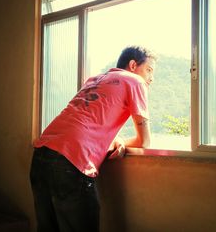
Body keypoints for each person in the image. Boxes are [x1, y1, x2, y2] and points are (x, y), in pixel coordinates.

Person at [30, 46, 157, 232]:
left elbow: (88, 121)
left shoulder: (94, 80)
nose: (151, 78)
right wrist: (120, 142)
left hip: (41, 156)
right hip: (71, 161)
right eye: (149, 70)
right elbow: (144, 141)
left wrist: (116, 141)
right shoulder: (135, 81)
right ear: (132, 65)